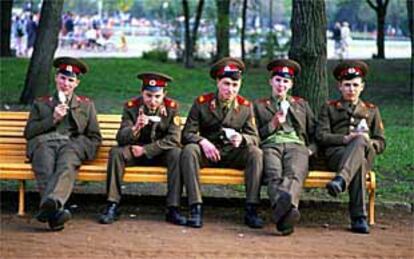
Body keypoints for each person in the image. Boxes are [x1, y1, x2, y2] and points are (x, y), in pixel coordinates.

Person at [181, 57, 263, 228]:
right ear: (218, 82)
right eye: (226, 84)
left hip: (232, 153)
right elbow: (186, 133)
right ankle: (195, 207)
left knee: (255, 153)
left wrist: (243, 139)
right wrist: (202, 141)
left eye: (235, 85)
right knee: (189, 151)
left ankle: (251, 209)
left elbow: (255, 137)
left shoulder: (246, 106)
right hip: (209, 154)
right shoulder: (202, 103)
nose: (230, 89)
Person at [24, 57, 102, 231]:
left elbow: (95, 136)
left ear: (77, 83)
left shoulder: (86, 105)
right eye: (62, 78)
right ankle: (55, 212)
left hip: (72, 145)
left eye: (70, 80)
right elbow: (29, 133)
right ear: (56, 78)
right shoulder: (42, 103)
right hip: (45, 143)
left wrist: (82, 147)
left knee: (67, 164)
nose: (65, 83)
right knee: (44, 166)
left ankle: (50, 207)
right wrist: (53, 118)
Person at [98, 72, 186, 226]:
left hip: (159, 153)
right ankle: (112, 204)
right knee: (116, 153)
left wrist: (146, 150)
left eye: (157, 96)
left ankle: (173, 207)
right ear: (142, 93)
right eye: (148, 96)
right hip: (134, 152)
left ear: (164, 94)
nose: (153, 101)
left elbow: (174, 139)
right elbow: (121, 138)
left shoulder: (172, 108)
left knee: (177, 154)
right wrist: (135, 128)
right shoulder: (131, 107)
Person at [316, 60, 386, 234]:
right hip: (336, 155)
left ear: (362, 86)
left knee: (361, 142)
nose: (351, 89)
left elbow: (381, 142)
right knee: (358, 162)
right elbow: (321, 136)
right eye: (347, 85)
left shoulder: (371, 110)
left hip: (364, 152)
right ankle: (359, 218)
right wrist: (346, 139)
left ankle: (341, 181)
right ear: (339, 86)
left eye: (355, 85)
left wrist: (367, 142)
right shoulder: (329, 108)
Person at [253, 59, 317, 235]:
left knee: (294, 174)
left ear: (291, 84)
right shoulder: (259, 105)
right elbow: (254, 134)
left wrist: (311, 149)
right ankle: (289, 214)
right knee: (274, 175)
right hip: (270, 145)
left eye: (285, 81)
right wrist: (273, 123)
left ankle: (284, 214)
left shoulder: (301, 104)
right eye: (278, 80)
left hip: (297, 145)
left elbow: (314, 133)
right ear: (271, 82)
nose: (281, 85)